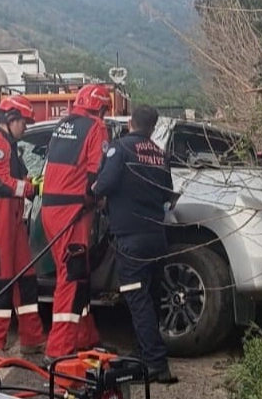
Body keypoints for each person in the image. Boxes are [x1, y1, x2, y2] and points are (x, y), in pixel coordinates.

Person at [92, 104, 178, 384]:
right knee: (150, 297)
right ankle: (142, 352)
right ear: (152, 127)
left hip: (131, 238)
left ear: (131, 123)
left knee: (136, 298)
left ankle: (156, 363)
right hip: (157, 237)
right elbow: (168, 192)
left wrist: (90, 193)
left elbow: (102, 185)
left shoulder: (121, 148)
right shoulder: (160, 154)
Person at [39, 84, 112, 366]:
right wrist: (100, 197)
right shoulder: (96, 127)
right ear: (101, 107)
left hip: (52, 209)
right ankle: (58, 349)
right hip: (73, 211)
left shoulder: (64, 124)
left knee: (78, 275)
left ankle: (85, 337)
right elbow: (96, 172)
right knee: (71, 277)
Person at [0, 96, 45, 356]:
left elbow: (14, 178)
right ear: (12, 119)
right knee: (0, 282)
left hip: (10, 221)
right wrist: (30, 188)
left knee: (26, 278)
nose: (26, 127)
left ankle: (32, 338)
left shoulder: (10, 146)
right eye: (24, 122)